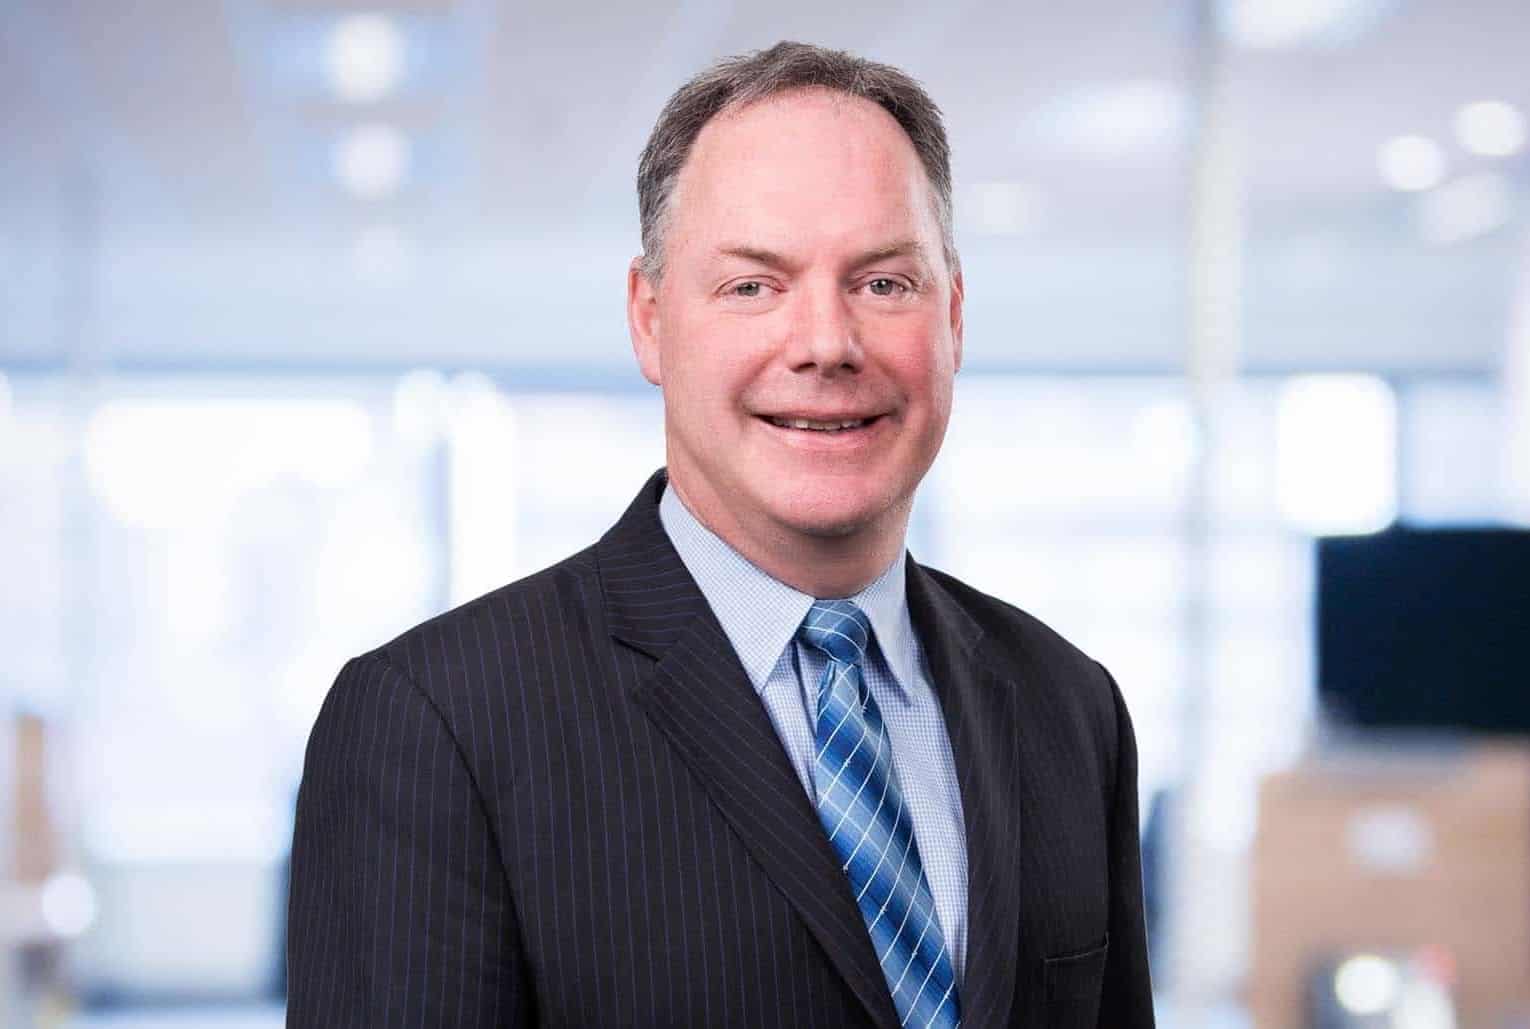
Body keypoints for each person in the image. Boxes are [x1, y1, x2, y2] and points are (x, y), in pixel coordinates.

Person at [285, 40, 1154, 1029]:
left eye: (883, 283)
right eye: (753, 285)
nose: (825, 344)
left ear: (951, 316)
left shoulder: (1069, 706)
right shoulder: (437, 725)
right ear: (649, 319)